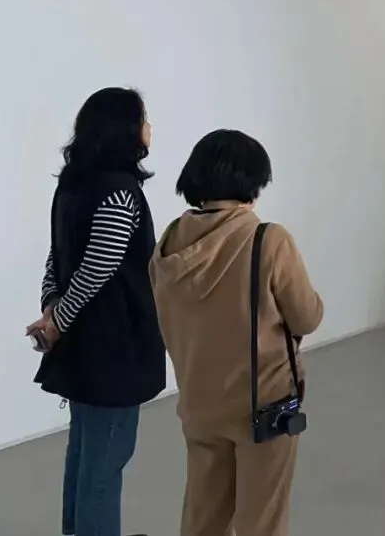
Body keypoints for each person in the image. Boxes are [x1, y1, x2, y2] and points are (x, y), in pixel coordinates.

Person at [150, 129, 324, 536]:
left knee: (203, 517)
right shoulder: (268, 239)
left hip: (199, 401)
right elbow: (306, 318)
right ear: (252, 181)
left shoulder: (170, 242)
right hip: (262, 403)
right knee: (261, 521)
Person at [27, 86, 165, 536]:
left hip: (83, 345)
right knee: (104, 466)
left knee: (85, 455)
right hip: (114, 346)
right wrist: (57, 319)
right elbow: (97, 269)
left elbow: (58, 257)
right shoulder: (120, 193)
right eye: (144, 119)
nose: (149, 127)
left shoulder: (71, 186)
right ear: (125, 130)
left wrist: (52, 309)